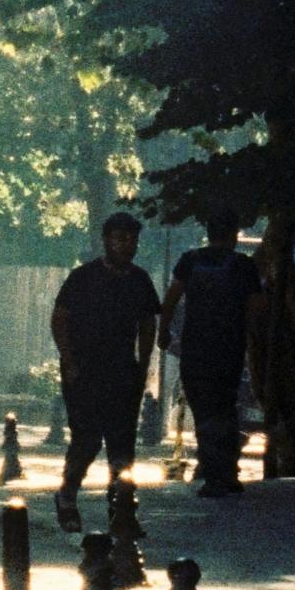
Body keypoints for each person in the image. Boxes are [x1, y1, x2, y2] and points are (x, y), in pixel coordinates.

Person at [51, 211, 161, 529]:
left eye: (133, 239)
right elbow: (59, 319)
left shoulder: (139, 280)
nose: (128, 245)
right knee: (86, 439)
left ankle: (122, 508)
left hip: (122, 370)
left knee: (122, 441)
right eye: (121, 238)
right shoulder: (83, 278)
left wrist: (142, 366)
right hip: (84, 369)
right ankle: (67, 496)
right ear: (107, 241)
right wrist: (69, 360)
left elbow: (147, 324)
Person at [161, 210, 264, 498]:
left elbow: (171, 298)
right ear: (234, 235)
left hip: (194, 349)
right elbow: (255, 310)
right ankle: (227, 471)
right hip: (229, 350)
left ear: (208, 232)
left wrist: (164, 330)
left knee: (204, 410)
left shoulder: (190, 261)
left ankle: (211, 470)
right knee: (225, 408)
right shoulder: (243, 265)